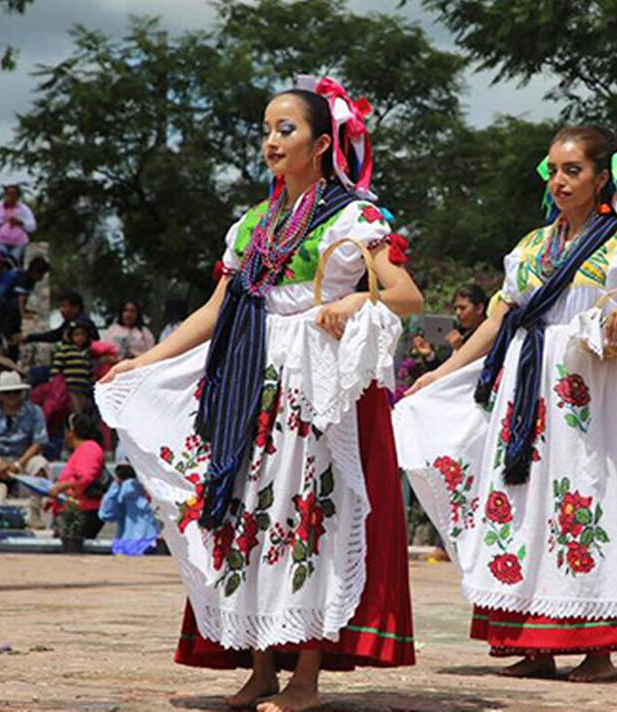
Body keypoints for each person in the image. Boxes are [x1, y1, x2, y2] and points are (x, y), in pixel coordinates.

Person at [97, 75, 421, 711]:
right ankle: (261, 664)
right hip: (252, 386)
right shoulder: (252, 224)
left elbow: (407, 296)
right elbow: (216, 310)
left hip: (316, 393)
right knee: (249, 516)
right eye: (267, 129)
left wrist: (355, 298)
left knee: (309, 518)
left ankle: (306, 676)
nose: (271, 140)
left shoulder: (354, 216)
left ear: (323, 144)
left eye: (286, 129)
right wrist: (143, 361)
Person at [395, 126, 617, 682]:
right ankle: (534, 644)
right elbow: (497, 321)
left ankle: (599, 646)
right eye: (553, 169)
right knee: (527, 507)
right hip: (527, 387)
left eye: (573, 170)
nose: (559, 180)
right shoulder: (531, 247)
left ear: (602, 177)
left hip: (589, 391)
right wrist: (440, 372)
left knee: (587, 497)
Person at [0, 371, 50, 487]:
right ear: (0, 394)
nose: (12, 396)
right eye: (7, 393)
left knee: (40, 465)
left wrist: (19, 464)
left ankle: (36, 502)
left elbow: (39, 442)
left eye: (16, 392)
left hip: (23, 459)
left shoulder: (34, 411)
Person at [47, 413, 106, 539]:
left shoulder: (89, 448)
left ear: (71, 431)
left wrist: (61, 487)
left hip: (83, 511)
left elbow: (85, 477)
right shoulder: (81, 450)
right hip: (74, 510)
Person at [99, 449, 160, 555]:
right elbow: (106, 514)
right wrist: (117, 485)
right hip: (124, 545)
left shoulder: (155, 487)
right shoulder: (121, 489)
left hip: (149, 544)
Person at [2, 257, 51, 360]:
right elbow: (20, 298)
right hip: (8, 307)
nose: (42, 277)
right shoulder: (26, 279)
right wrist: (22, 313)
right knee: (11, 331)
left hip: (12, 305)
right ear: (34, 272)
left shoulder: (31, 280)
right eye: (41, 274)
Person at [20, 291, 99, 347]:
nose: (61, 310)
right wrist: (29, 337)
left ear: (76, 308)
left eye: (64, 306)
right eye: (60, 306)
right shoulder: (69, 323)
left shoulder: (81, 324)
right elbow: (54, 335)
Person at [51, 320, 96, 415]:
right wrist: (55, 382)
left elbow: (90, 373)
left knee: (86, 410)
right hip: (69, 387)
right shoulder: (65, 350)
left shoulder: (87, 354)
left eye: (83, 335)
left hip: (84, 389)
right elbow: (57, 366)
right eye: (76, 335)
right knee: (76, 411)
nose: (80, 337)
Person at [0, 184, 37, 264]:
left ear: (18, 196)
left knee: (13, 262)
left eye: (13, 194)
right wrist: (6, 218)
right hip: (0, 241)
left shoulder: (24, 209)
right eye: (8, 194)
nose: (10, 196)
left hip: (18, 243)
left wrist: (20, 223)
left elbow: (32, 227)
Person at [447, 284, 487, 351]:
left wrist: (460, 349)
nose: (458, 313)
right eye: (455, 309)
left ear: (479, 308)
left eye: (463, 308)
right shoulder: (459, 334)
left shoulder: (490, 336)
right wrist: (430, 356)